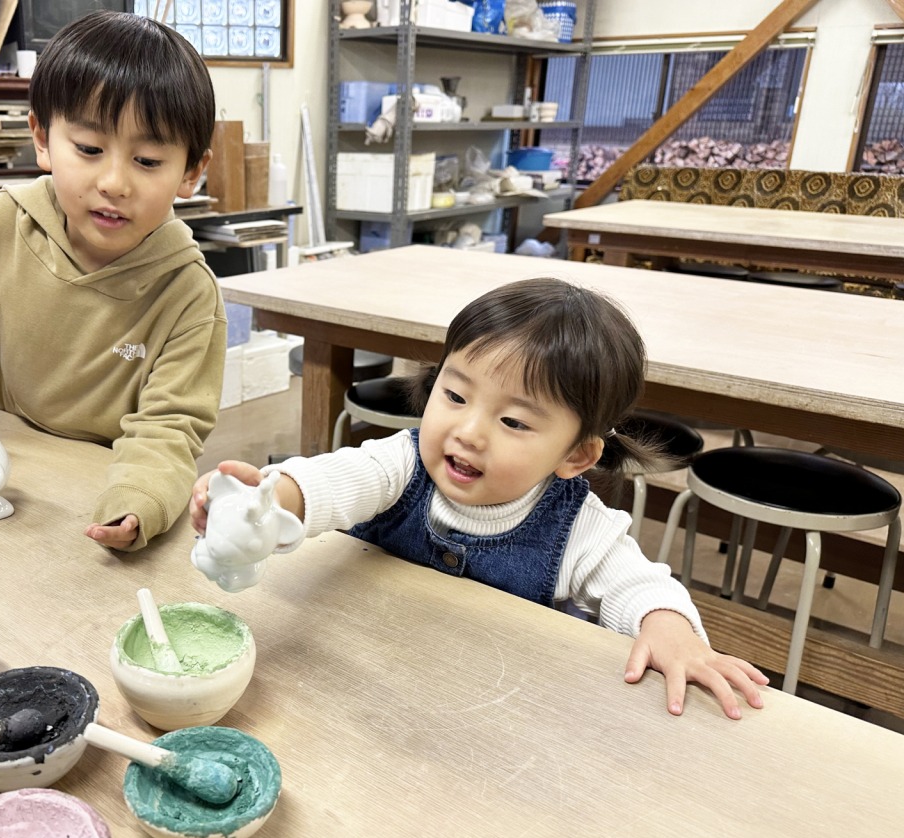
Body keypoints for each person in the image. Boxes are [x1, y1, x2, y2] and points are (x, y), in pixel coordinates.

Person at [190, 278, 769, 718]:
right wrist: (267, 504)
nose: (469, 431)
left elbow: (638, 585)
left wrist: (669, 628)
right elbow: (334, 479)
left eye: (514, 422)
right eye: (457, 395)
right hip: (364, 685)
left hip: (495, 712)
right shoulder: (402, 461)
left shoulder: (578, 530)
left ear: (575, 456)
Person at [0, 11, 225, 552]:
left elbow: (169, 428)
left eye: (146, 159)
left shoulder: (188, 293)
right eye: (90, 150)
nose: (114, 183)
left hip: (99, 488)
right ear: (43, 139)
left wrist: (139, 499)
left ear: (191, 171)